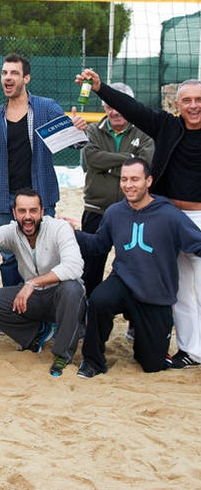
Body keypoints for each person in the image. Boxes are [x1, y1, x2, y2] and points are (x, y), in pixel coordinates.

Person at [77, 69, 201, 369]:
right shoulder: (167, 126)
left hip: (198, 216)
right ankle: (190, 351)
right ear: (178, 105)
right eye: (187, 100)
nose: (194, 105)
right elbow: (133, 108)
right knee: (181, 289)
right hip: (169, 216)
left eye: (199, 100)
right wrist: (100, 88)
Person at [71, 159, 201, 378]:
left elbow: (197, 243)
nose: (128, 185)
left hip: (156, 292)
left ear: (148, 181)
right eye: (124, 179)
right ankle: (93, 361)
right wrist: (72, 232)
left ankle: (145, 345)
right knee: (100, 299)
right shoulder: (114, 212)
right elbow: (98, 245)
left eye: (134, 179)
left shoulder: (170, 215)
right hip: (123, 280)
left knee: (152, 364)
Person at [0, 54, 86, 287]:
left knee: (46, 256)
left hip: (40, 195)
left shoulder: (46, 107)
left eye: (14, 73)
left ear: (26, 78)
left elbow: (74, 142)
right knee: (9, 259)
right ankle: (13, 316)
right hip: (5, 198)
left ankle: (46, 314)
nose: (7, 77)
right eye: (4, 73)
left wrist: (78, 129)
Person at [0, 188, 86, 377]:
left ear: (42, 211)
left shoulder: (59, 228)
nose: (28, 216)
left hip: (62, 297)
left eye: (33, 210)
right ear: (14, 213)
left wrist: (31, 283)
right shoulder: (14, 230)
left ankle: (62, 356)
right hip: (37, 299)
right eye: (22, 211)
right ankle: (38, 333)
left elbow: (74, 267)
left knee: (72, 288)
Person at [80, 82, 154, 296]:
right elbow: (92, 160)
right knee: (90, 269)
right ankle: (87, 317)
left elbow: (146, 164)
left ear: (131, 106)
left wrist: (109, 165)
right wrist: (131, 160)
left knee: (135, 268)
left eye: (119, 105)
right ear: (104, 108)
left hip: (133, 211)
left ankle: (134, 322)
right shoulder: (93, 129)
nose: (114, 111)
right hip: (96, 209)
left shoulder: (146, 132)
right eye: (109, 106)